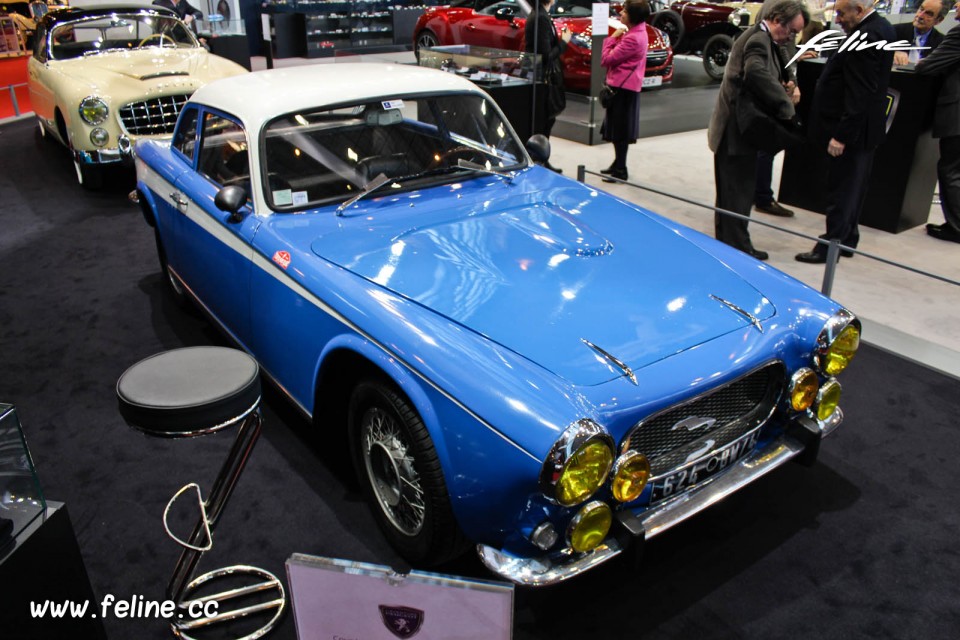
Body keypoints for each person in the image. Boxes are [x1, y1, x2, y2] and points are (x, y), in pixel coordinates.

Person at [707, 0, 808, 261]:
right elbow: (756, 72)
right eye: (791, 31)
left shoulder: (766, 38)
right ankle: (737, 249)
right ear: (776, 19)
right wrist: (785, 105)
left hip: (738, 130)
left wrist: (790, 82)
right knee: (736, 193)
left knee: (734, 191)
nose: (792, 36)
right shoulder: (758, 40)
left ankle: (730, 245)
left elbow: (779, 65)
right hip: (736, 131)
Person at [795, 0, 895, 263]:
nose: (837, 19)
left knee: (841, 190)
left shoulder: (867, 35)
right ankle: (847, 238)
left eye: (841, 13)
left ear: (859, 11)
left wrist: (842, 134)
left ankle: (831, 247)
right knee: (854, 187)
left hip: (852, 130)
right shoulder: (882, 27)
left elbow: (860, 92)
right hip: (864, 129)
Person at [916, 0, 960, 243]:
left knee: (950, 169)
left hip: (956, 113)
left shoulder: (957, 32)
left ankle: (956, 227)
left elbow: (928, 66)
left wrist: (917, 63)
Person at [598, 0, 650, 183]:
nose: (621, 13)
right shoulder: (638, 32)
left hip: (622, 88)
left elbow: (606, 59)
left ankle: (621, 168)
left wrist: (612, 38)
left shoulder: (632, 38)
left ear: (633, 16)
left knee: (620, 131)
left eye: (625, 11)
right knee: (618, 129)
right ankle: (618, 163)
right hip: (626, 86)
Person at [525, 0, 571, 172]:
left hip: (542, 77)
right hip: (542, 78)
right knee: (544, 119)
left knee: (547, 120)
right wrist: (564, 43)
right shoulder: (540, 18)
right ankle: (540, 160)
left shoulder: (541, 15)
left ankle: (543, 159)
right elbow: (545, 55)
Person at [893, 0, 947, 66]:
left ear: (939, 20)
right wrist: (892, 53)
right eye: (921, 9)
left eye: (929, 14)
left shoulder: (942, 43)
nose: (920, 16)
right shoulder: (894, 31)